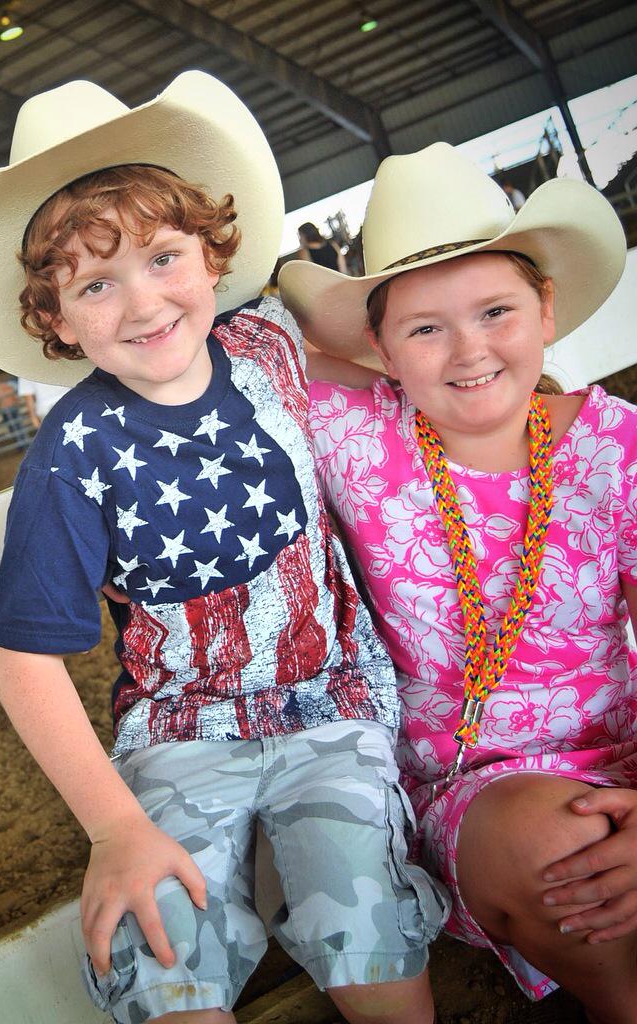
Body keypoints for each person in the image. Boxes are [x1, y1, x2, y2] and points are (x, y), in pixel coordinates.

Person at [0, 72, 448, 1024]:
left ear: (212, 254)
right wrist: (114, 827)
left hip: (332, 696)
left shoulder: (272, 343)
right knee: (161, 940)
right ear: (55, 320)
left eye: (164, 257)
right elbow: (25, 660)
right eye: (95, 284)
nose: (142, 303)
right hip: (180, 730)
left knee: (360, 909)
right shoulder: (70, 456)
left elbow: (393, 362)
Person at [280, 142, 635, 1021]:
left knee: (603, 835)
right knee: (566, 852)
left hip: (625, 753)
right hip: (477, 784)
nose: (468, 350)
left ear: (547, 310)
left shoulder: (616, 448)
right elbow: (213, 323)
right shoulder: (358, 430)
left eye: (496, 311)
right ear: (380, 346)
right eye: (425, 327)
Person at [0, 377, 31, 448]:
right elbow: (15, 396)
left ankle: (20, 444)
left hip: (5, 410)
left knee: (13, 427)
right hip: (12, 407)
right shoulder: (7, 386)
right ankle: (25, 441)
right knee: (18, 425)